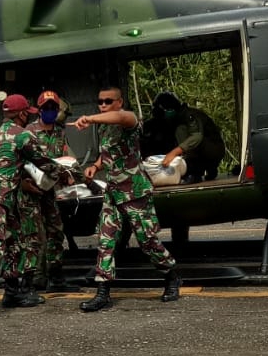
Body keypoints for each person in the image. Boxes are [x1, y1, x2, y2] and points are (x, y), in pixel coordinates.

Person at [73, 86, 180, 312]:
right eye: (99, 101)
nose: (102, 105)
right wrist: (95, 166)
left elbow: (121, 117)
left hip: (135, 192)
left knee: (147, 241)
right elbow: (107, 153)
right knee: (106, 241)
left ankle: (171, 276)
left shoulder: (129, 119)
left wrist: (90, 118)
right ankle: (103, 292)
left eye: (108, 101)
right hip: (113, 193)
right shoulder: (104, 128)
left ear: (119, 102)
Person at [0, 94, 71, 322]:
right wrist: (66, 175)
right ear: (22, 114)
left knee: (15, 244)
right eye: (29, 113)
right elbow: (43, 161)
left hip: (6, 198)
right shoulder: (22, 135)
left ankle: (13, 293)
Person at [23, 89, 72, 291]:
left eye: (54, 107)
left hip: (51, 191)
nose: (50, 111)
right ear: (39, 110)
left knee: (56, 231)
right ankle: (36, 280)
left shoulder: (59, 132)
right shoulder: (29, 132)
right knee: (35, 236)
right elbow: (22, 161)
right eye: (46, 108)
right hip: (31, 191)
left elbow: (65, 156)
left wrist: (69, 173)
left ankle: (56, 276)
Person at [145, 91, 226, 182]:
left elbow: (196, 137)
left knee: (181, 131)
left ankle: (195, 171)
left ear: (170, 109)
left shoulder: (189, 115)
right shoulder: (174, 119)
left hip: (213, 149)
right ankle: (203, 168)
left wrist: (174, 153)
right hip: (207, 150)